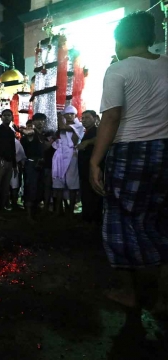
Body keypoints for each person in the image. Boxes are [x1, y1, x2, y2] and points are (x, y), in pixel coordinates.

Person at [90, 11, 168, 312]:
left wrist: (95, 161)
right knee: (161, 219)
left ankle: (130, 292)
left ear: (119, 40)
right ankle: (163, 298)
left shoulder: (119, 70)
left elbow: (110, 118)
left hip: (130, 150)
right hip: (165, 150)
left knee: (121, 220)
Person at [52, 106, 84, 217]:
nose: (69, 116)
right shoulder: (62, 128)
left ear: (75, 115)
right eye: (67, 114)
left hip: (72, 156)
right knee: (59, 182)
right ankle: (58, 210)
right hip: (60, 156)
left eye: (72, 114)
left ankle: (70, 211)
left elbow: (64, 127)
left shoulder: (78, 126)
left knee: (72, 183)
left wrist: (60, 116)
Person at [77, 110, 102, 223]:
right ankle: (87, 216)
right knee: (86, 194)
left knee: (92, 195)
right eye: (83, 118)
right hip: (84, 169)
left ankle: (93, 220)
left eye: (87, 117)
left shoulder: (97, 131)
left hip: (91, 169)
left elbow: (99, 140)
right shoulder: (87, 132)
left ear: (95, 118)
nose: (84, 120)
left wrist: (87, 143)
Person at [21, 115, 48, 222]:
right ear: (33, 122)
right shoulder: (32, 133)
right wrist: (25, 132)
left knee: (39, 188)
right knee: (30, 189)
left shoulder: (42, 135)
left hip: (40, 165)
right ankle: (28, 215)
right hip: (31, 164)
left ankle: (35, 213)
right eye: (37, 120)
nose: (40, 122)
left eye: (42, 120)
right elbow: (28, 134)